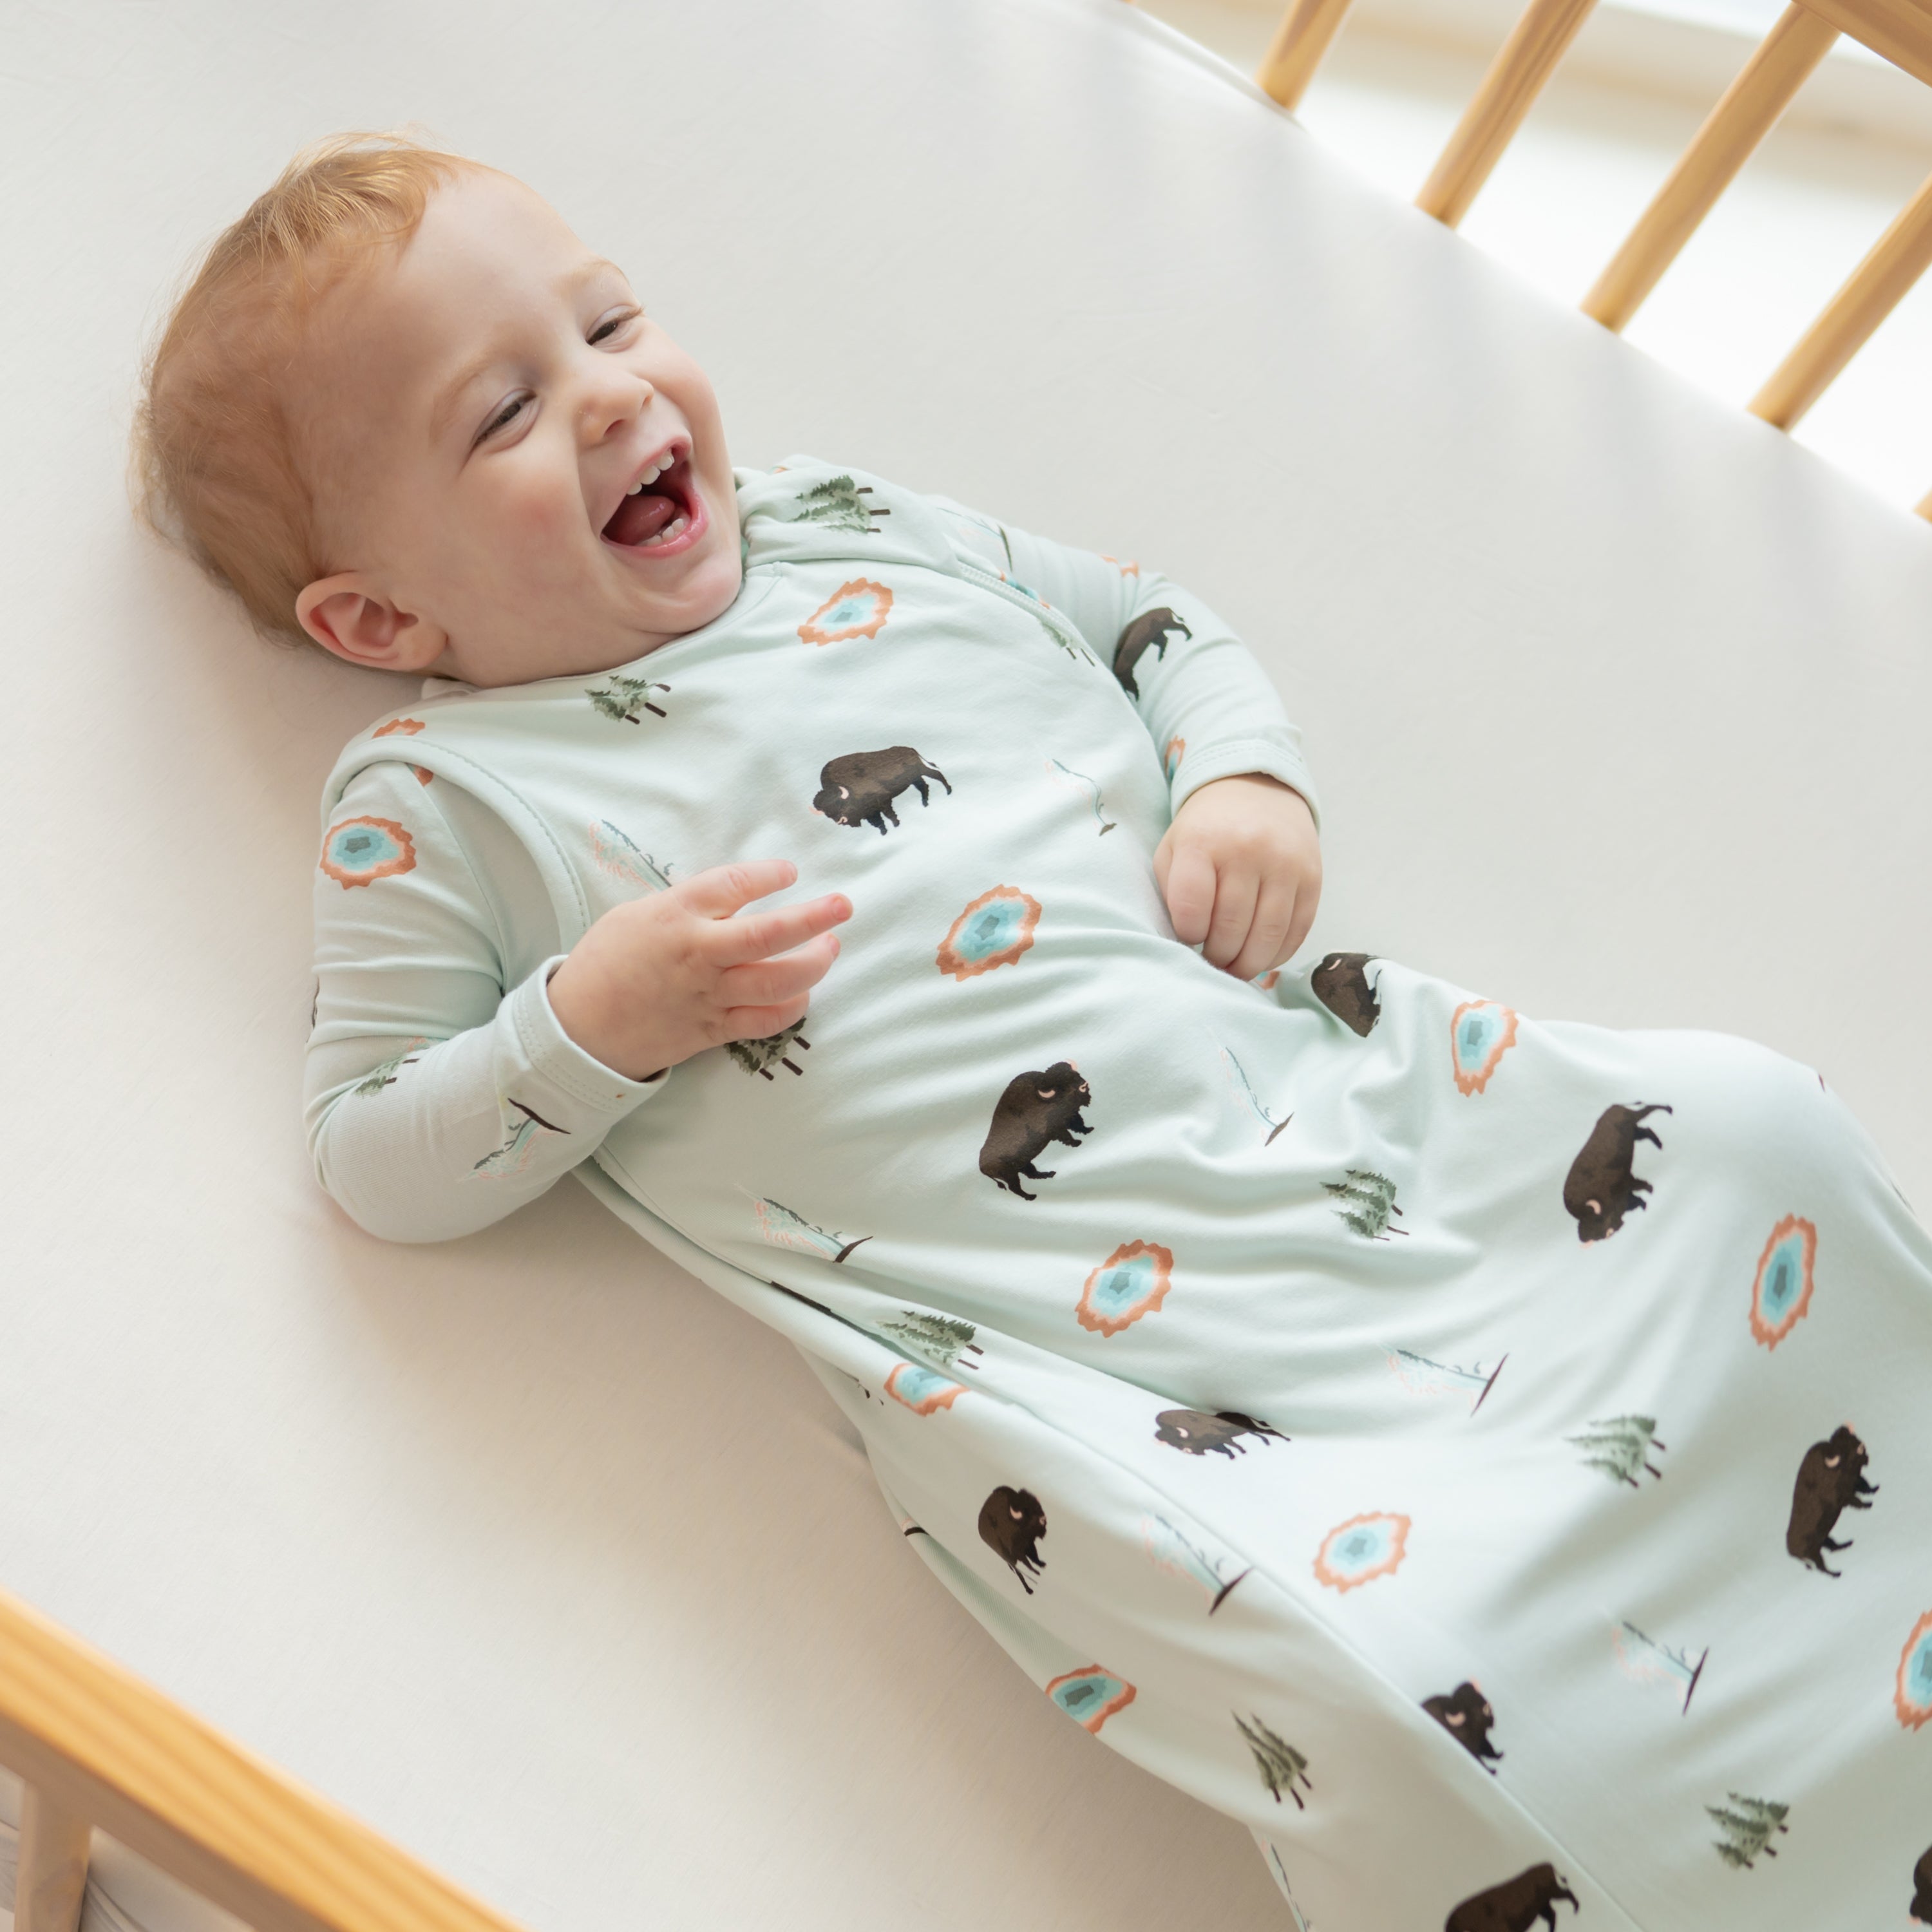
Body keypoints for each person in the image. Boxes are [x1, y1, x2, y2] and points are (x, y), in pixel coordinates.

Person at [136, 132, 1932, 1929]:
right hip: (1093, 1371)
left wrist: (1242, 780)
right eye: (506, 413)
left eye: (609, 323)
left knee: (1749, 1134)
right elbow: (375, 1152)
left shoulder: (848, 519)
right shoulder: (442, 795)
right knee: (1392, 1697)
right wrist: (592, 1021)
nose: (613, 396)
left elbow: (1147, 621)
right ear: (379, 615)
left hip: (1354, 1129)